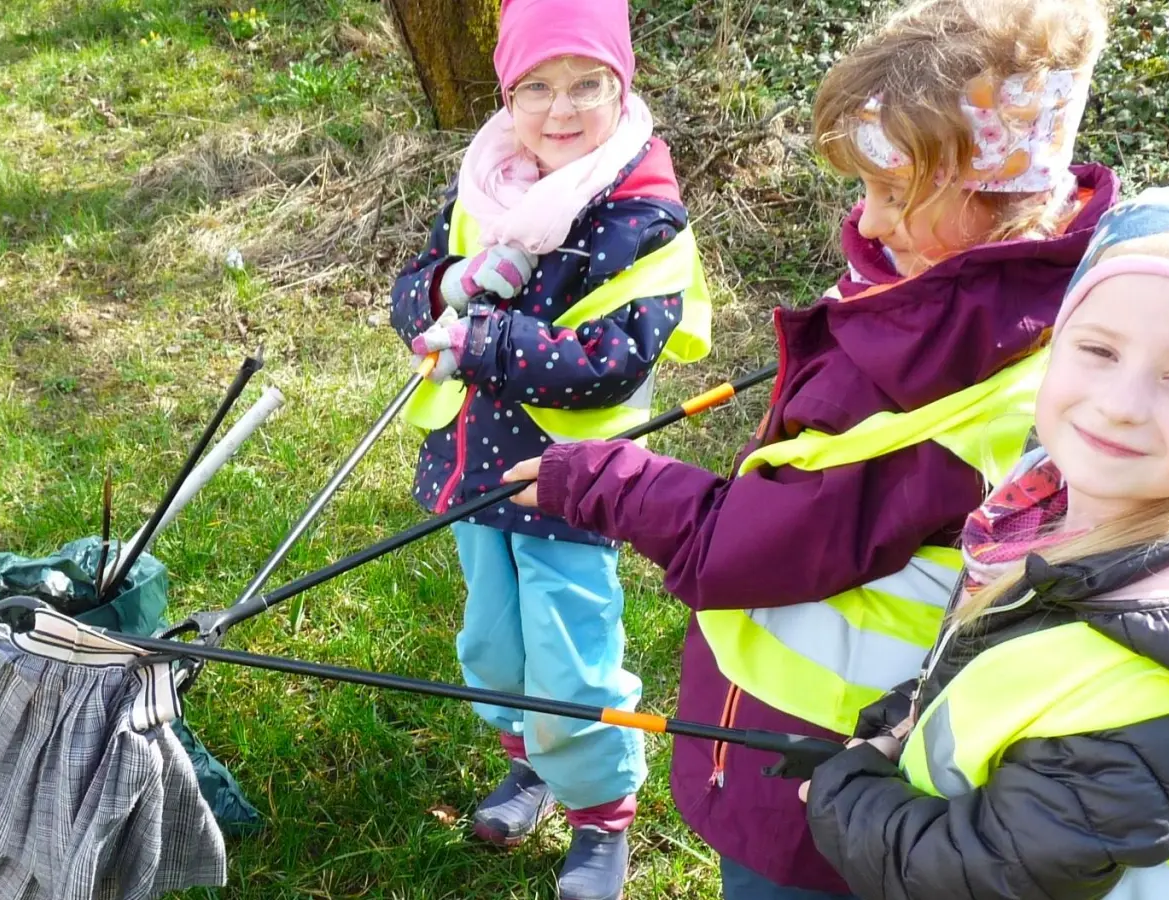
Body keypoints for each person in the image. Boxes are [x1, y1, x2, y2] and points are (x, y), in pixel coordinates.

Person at [503, 0, 1117, 894]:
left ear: (1001, 190)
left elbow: (754, 541)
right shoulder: (954, 298)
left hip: (821, 780)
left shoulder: (966, 381)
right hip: (804, 750)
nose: (865, 225)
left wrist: (603, 478)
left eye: (894, 194)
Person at [804, 176, 1169, 900]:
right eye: (1096, 350)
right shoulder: (1050, 505)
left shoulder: (1151, 690)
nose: (1119, 405)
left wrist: (841, 796)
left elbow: (986, 876)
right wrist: (903, 718)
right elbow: (1001, 665)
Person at [387, 0, 711, 896]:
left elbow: (609, 366)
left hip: (570, 485)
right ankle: (533, 764)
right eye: (535, 87)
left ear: (622, 85)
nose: (559, 110)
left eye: (585, 85)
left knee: (570, 661)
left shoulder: (643, 217)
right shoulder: (487, 180)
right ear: (506, 92)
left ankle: (601, 818)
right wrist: (451, 285)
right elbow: (410, 292)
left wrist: (477, 341)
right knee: (492, 648)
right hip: (471, 466)